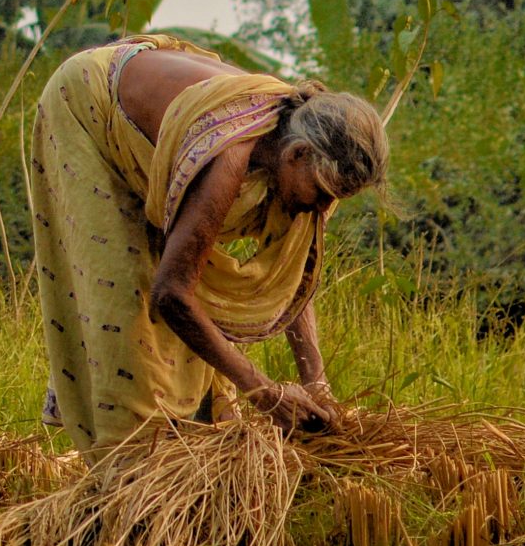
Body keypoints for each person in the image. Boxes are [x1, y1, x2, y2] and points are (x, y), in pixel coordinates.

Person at [28, 34, 388, 453]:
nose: (322, 207)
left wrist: (316, 382)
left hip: (162, 104)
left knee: (183, 267)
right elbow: (172, 294)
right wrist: (265, 393)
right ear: (297, 156)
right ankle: (130, 470)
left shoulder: (298, 144)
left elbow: (291, 275)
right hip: (91, 104)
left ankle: (198, 436)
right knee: (128, 300)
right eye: (322, 193)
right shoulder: (228, 154)